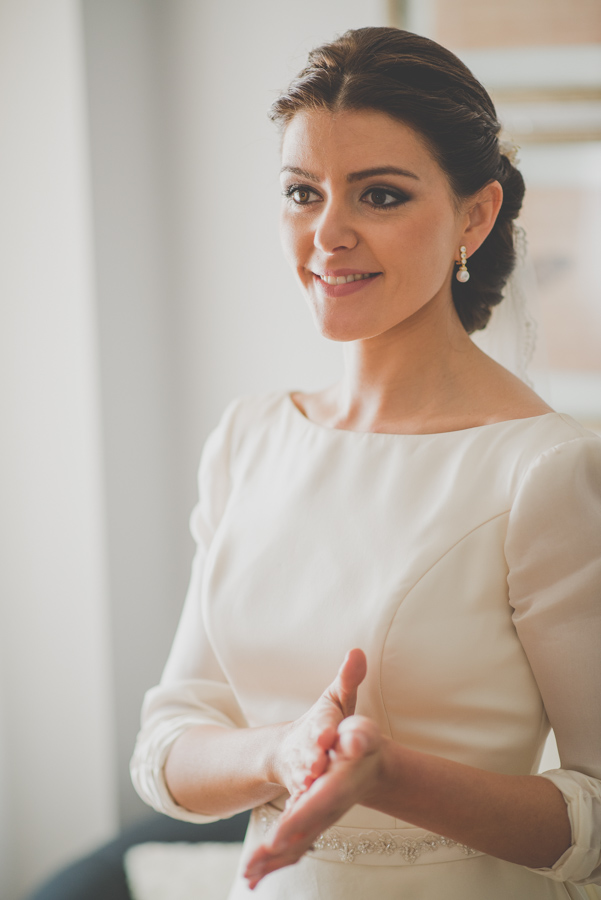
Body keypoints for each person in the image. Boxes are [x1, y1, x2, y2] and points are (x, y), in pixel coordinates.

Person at [130, 27, 601, 899]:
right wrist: (281, 750)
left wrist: (390, 776)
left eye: (379, 195)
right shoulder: (249, 439)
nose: (327, 233)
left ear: (474, 214)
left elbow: (596, 817)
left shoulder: (543, 469)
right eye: (302, 193)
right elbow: (166, 747)